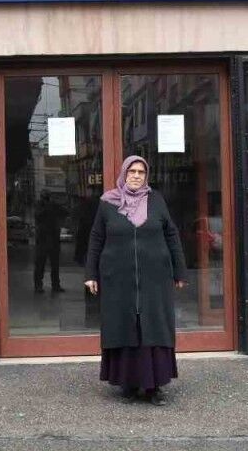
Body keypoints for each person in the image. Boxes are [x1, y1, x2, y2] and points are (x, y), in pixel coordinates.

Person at [84, 156, 186, 406]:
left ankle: (153, 387)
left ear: (146, 176)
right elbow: (96, 238)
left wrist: (180, 271)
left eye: (141, 172)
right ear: (124, 174)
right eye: (132, 171)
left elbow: (171, 234)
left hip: (155, 278)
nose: (137, 176)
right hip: (117, 278)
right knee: (123, 326)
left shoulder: (156, 200)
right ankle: (127, 384)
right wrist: (91, 274)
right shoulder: (108, 203)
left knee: (153, 326)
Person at [33, 191, 65, 292]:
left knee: (54, 264)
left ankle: (55, 285)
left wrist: (54, 205)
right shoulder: (40, 206)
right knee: (40, 264)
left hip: (52, 238)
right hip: (43, 239)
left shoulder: (52, 206)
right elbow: (38, 215)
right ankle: (39, 285)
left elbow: (64, 212)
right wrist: (49, 207)